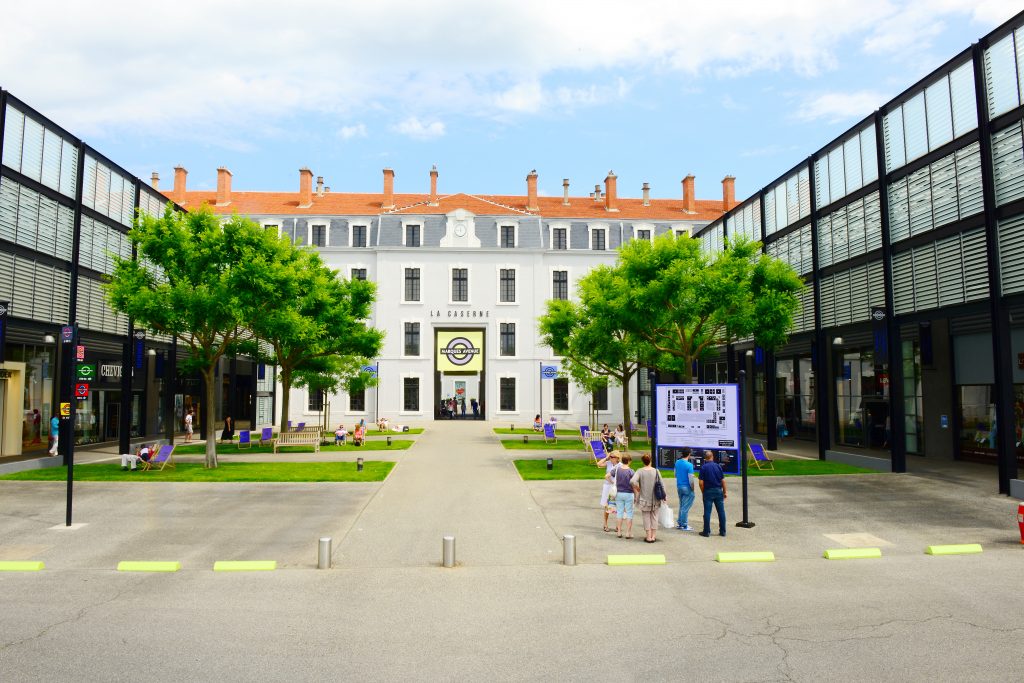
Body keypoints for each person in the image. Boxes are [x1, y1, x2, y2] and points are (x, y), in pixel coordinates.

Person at [631, 453, 663, 543]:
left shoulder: (640, 471)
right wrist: (664, 496)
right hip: (655, 498)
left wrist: (637, 487)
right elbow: (662, 484)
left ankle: (648, 536)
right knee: (655, 517)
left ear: (643, 461)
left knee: (646, 517)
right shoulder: (656, 471)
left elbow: (632, 481)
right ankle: (653, 536)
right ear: (651, 460)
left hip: (644, 499)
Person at [699, 450, 727, 537]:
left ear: (705, 458)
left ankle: (706, 531)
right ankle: (723, 531)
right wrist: (725, 492)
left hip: (708, 491)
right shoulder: (718, 466)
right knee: (721, 512)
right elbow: (723, 481)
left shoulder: (703, 467)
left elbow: (701, 482)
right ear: (712, 457)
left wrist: (703, 491)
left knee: (707, 512)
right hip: (718, 491)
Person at [610, 454, 635, 539]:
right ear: (629, 461)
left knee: (619, 513)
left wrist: (612, 483)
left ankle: (619, 532)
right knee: (629, 513)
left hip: (619, 493)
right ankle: (628, 533)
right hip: (629, 493)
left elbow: (608, 476)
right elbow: (634, 483)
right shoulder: (631, 471)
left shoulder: (617, 469)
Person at [596, 450, 620, 532]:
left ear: (617, 458)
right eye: (611, 456)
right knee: (606, 506)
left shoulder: (620, 465)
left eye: (613, 457)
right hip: (607, 486)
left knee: (617, 505)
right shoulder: (609, 463)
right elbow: (599, 464)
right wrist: (606, 458)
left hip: (616, 487)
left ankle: (618, 525)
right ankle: (605, 524)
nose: (611, 458)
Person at [674, 448, 695, 531]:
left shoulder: (677, 462)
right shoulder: (689, 465)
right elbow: (691, 480)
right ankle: (684, 524)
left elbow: (675, 474)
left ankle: (680, 522)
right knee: (685, 507)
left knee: (682, 505)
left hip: (679, 486)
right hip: (687, 487)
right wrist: (693, 488)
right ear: (689, 454)